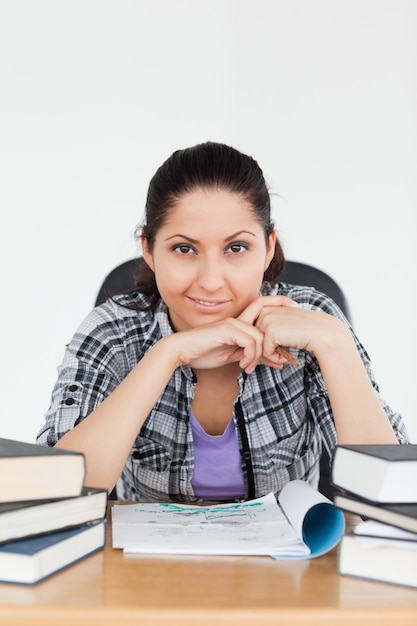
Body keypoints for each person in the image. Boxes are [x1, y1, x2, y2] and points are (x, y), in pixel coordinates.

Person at [36, 141, 409, 502]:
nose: (211, 281)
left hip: (289, 565)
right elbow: (55, 493)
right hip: (147, 566)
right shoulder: (112, 332)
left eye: (236, 248)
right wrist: (167, 354)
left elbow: (390, 500)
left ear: (268, 248)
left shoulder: (312, 321)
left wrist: (333, 341)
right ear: (148, 249)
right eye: (184, 249)